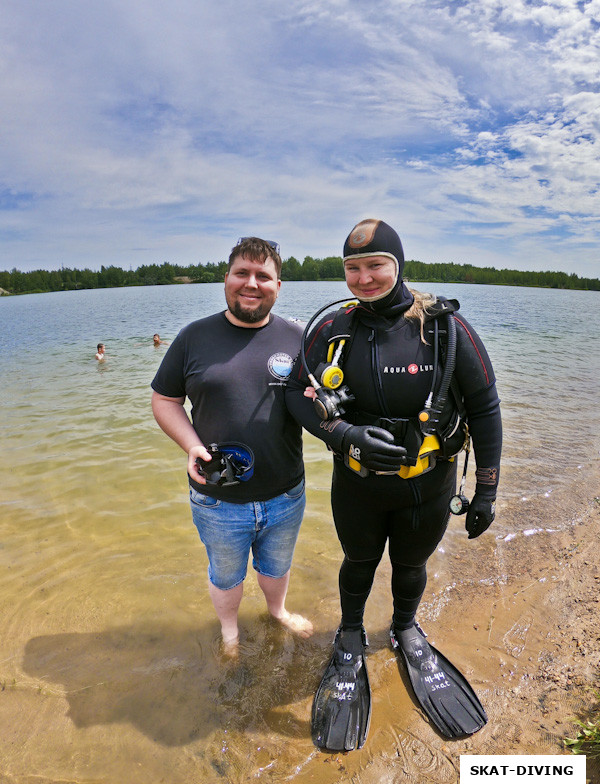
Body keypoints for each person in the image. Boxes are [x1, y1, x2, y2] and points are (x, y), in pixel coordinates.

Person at [285, 219, 502, 750]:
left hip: (427, 485)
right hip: (357, 484)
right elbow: (296, 394)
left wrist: (488, 491)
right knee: (357, 562)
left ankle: (406, 629)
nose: (363, 278)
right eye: (352, 269)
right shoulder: (333, 328)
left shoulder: (444, 328)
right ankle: (351, 634)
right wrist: (343, 433)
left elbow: (486, 410)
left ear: (397, 265)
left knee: (411, 564)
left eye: (374, 266)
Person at [151, 237, 312, 653]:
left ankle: (277, 612)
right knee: (225, 574)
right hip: (217, 498)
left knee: (277, 567)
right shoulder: (193, 337)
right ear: (226, 278)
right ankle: (229, 633)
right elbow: (165, 400)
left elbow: (320, 406)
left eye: (264, 276)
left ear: (279, 285)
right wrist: (190, 444)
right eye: (242, 273)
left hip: (286, 493)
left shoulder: (298, 337)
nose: (251, 284)